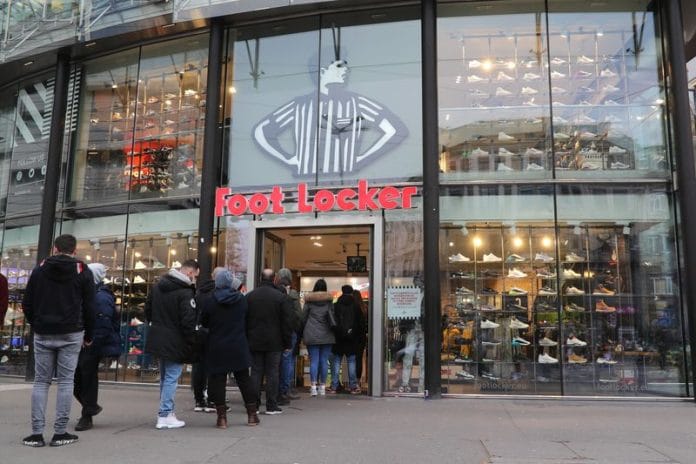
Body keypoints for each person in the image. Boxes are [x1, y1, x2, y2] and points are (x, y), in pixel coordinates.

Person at [22, 234, 95, 447]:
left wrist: (37, 323)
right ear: (74, 251)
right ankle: (60, 432)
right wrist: (89, 335)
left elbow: (27, 303)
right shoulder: (82, 271)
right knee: (65, 382)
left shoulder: (39, 270)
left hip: (43, 332)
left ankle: (36, 434)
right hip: (72, 332)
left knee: (41, 381)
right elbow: (90, 307)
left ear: (54, 249)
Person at [200, 270, 259, 428]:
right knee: (244, 379)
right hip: (238, 344)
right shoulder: (241, 299)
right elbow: (247, 320)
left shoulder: (210, 300)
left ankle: (222, 418)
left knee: (218, 381)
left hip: (217, 344)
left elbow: (204, 321)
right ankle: (252, 415)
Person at [145, 259, 199, 429]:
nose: (195, 279)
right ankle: (165, 414)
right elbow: (188, 321)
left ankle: (166, 412)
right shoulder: (185, 292)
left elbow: (147, 310)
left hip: (159, 337)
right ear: (190, 273)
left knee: (165, 377)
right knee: (171, 378)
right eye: (196, 276)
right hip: (175, 340)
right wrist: (191, 341)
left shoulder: (158, 287)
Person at [73, 263, 121, 431]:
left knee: (86, 378)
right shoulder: (90, 293)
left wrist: (92, 340)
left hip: (90, 343)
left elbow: (103, 323)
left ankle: (88, 413)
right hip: (84, 341)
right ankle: (90, 408)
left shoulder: (100, 296)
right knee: (80, 378)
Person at [245, 269, 292, 415]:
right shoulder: (280, 297)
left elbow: (244, 320)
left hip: (254, 340)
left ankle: (254, 405)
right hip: (274, 341)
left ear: (260, 278)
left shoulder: (250, 296)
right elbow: (286, 322)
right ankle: (271, 404)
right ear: (274, 279)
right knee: (273, 373)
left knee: (256, 372)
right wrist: (287, 343)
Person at [191, 266, 226, 413]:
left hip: (199, 333)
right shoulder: (218, 295)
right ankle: (212, 399)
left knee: (199, 367)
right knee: (214, 367)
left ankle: (199, 399)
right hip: (214, 333)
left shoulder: (199, 293)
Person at [302, 279, 335, 397]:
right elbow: (333, 317)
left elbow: (303, 318)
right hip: (327, 334)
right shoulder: (329, 302)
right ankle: (322, 387)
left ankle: (313, 387)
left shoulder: (309, 302)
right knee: (324, 361)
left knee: (314, 361)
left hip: (311, 334)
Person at [330, 285, 365, 395]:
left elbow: (332, 322)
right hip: (352, 339)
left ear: (342, 292)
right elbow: (361, 324)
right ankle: (353, 386)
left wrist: (338, 332)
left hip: (338, 339)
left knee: (336, 362)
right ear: (351, 293)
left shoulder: (336, 305)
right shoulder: (356, 306)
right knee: (351, 362)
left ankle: (334, 386)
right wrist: (353, 333)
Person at [277, 268, 302, 405]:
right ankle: (286, 389)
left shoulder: (275, 292)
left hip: (276, 331)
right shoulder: (293, 295)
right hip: (290, 331)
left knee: (276, 360)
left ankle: (276, 389)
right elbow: (298, 315)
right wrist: (296, 329)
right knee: (288, 360)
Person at [353, 289, 368, 386]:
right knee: (359, 359)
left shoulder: (352, 308)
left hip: (352, 337)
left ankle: (351, 382)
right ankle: (358, 381)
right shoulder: (364, 307)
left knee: (351, 359)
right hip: (362, 337)